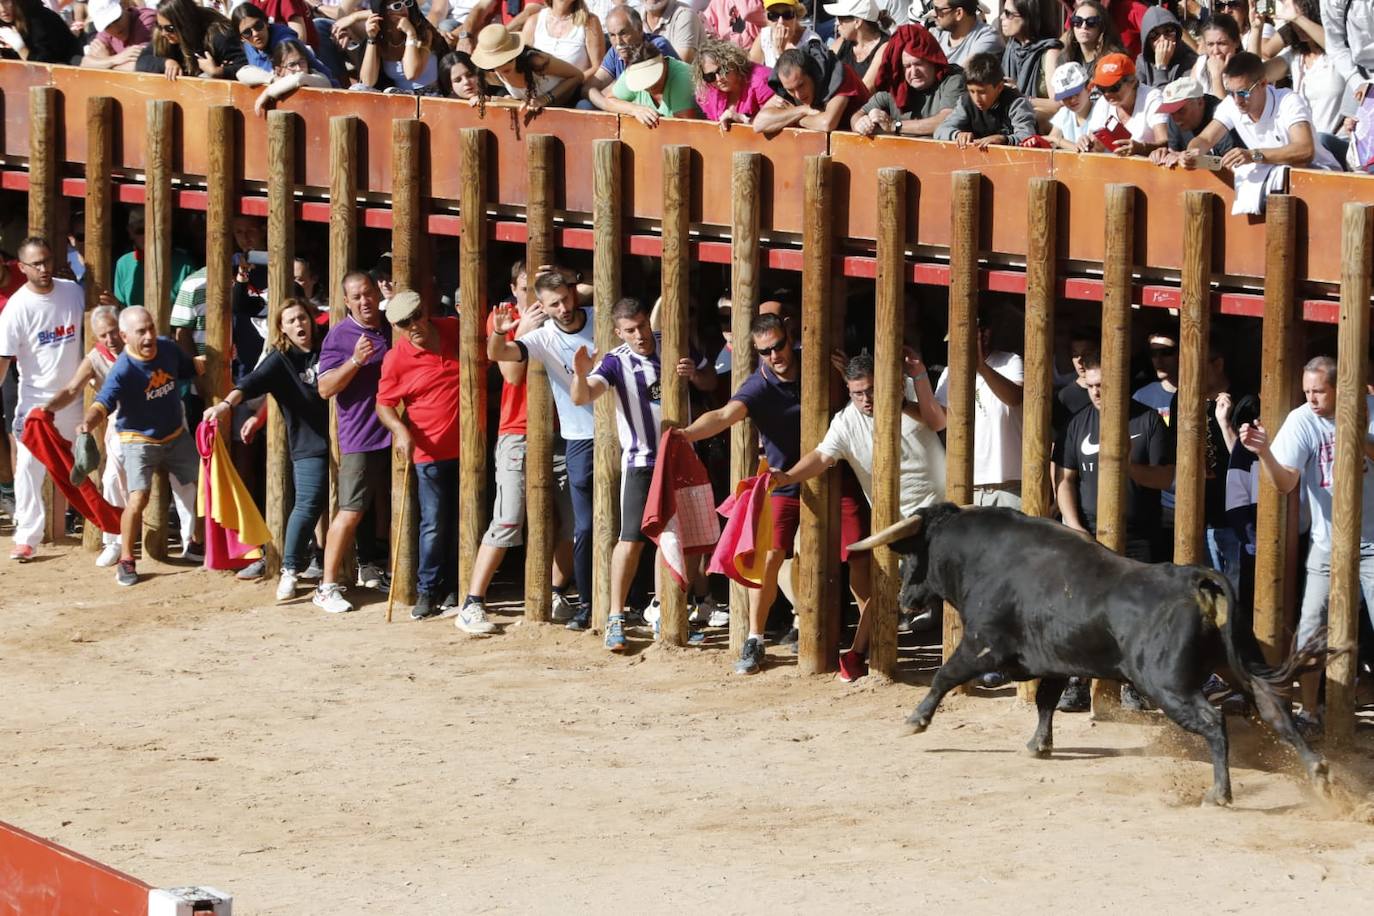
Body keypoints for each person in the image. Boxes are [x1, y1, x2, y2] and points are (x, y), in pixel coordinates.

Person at [771, 352, 946, 682]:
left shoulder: (909, 392)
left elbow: (938, 420)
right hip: (898, 521)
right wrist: (788, 477)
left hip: (943, 508)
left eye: (872, 390)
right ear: (848, 390)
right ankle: (857, 653)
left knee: (962, 583)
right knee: (883, 588)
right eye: (858, 392)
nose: (867, 399)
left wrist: (915, 379)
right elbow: (822, 456)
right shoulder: (846, 421)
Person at [568, 297, 715, 652]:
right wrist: (581, 372)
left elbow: (710, 382)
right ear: (619, 332)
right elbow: (582, 397)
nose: (639, 335)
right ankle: (615, 618)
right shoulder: (616, 361)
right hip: (641, 463)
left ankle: (667, 612)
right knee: (631, 540)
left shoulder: (673, 346)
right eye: (630, 330)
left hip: (682, 460)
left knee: (684, 539)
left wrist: (693, 373)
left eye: (642, 327)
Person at [1238, 355, 1374, 733]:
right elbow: (1285, 483)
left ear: (1339, 388)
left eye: (1319, 392)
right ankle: (1310, 712)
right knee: (1312, 628)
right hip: (1327, 543)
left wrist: (1357, 437)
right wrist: (1264, 452)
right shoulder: (1302, 419)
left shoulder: (1370, 409)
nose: (1312, 399)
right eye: (1307, 392)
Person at [457, 262, 579, 631]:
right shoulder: (504, 318)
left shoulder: (562, 311)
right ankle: (472, 602)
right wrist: (521, 331)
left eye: (539, 289)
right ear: (514, 288)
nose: (533, 296)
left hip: (564, 431)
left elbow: (586, 295)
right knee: (508, 518)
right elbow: (510, 373)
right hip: (517, 431)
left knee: (577, 522)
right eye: (526, 287)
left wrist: (561, 282)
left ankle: (556, 591)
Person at [680, 313, 803, 676]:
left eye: (779, 346)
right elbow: (722, 415)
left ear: (788, 336)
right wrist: (686, 435)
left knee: (846, 556)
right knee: (768, 557)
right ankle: (755, 637)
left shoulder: (814, 362)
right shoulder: (758, 385)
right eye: (765, 351)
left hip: (829, 475)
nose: (775, 355)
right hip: (783, 481)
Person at [487, 268, 598, 630]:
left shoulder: (600, 316)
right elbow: (503, 359)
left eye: (566, 298)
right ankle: (586, 602)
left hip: (620, 432)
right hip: (577, 435)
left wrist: (568, 277)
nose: (563, 308)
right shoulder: (542, 334)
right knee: (582, 525)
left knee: (625, 522)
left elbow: (601, 290)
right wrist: (504, 331)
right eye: (554, 304)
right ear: (543, 307)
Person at [203, 299, 330, 602]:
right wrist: (223, 405)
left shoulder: (329, 347)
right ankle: (290, 569)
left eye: (302, 318)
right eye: (291, 321)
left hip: (347, 439)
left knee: (344, 505)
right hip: (309, 443)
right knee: (308, 503)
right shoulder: (280, 360)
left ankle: (332, 563)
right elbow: (249, 384)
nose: (299, 324)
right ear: (282, 329)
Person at [76, 307, 201, 587]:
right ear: (125, 336)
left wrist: (214, 361)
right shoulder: (123, 368)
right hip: (138, 440)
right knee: (137, 499)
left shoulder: (167, 348)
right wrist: (87, 421)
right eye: (141, 332)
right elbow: (103, 402)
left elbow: (190, 367)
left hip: (174, 434)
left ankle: (196, 542)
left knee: (203, 483)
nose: (149, 336)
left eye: (151, 328)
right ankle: (126, 559)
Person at [373, 291, 465, 622]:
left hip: (470, 450)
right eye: (402, 323)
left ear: (425, 312)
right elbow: (383, 404)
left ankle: (457, 585)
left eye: (414, 318)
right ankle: (429, 589)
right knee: (434, 523)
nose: (412, 327)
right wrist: (401, 431)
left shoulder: (454, 328)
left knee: (465, 519)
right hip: (429, 453)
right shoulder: (396, 359)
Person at [0, 238, 86, 564]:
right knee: (27, 469)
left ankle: (105, 530)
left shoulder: (73, 292)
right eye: (35, 264)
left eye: (46, 261)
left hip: (77, 397)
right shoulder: (16, 309)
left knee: (91, 464)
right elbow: (4, 360)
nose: (43, 268)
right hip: (37, 402)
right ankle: (26, 538)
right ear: (21, 268)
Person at [313, 271, 392, 614]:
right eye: (356, 297)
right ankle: (326, 585)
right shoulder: (340, 336)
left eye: (368, 294)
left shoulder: (392, 326)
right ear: (346, 301)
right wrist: (356, 361)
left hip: (397, 434)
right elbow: (325, 388)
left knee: (392, 508)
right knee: (351, 510)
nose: (365, 302)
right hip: (360, 438)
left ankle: (388, 572)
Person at [1056, 357, 1173, 563]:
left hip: (1140, 538)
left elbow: (1165, 478)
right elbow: (1064, 480)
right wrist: (1075, 528)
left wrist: (1128, 468)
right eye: (1090, 386)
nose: (1095, 392)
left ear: (1119, 382)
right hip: (1089, 535)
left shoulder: (1148, 419)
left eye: (1101, 385)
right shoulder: (1076, 423)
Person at [925, 307, 1024, 507]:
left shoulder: (1011, 361)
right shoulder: (949, 373)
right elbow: (940, 420)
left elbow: (1014, 398)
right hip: (968, 487)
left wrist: (981, 367)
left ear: (986, 334)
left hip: (1009, 487)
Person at [1183, 50, 1342, 170]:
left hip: (1320, 174)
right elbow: (1205, 139)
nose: (1237, 100)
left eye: (1243, 92)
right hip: (1279, 178)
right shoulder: (1231, 104)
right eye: (1231, 93)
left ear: (1263, 84)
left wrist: (1253, 155)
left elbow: (1305, 151)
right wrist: (1191, 153)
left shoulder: (1289, 101)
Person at [853, 22, 964, 136]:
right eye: (907, 66)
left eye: (919, 64)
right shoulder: (897, 86)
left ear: (932, 61)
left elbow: (945, 121)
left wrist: (894, 125)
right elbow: (858, 115)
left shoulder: (952, 80)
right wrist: (861, 123)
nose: (914, 72)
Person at [754, 44, 871, 134]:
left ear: (813, 75)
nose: (798, 95)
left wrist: (791, 118)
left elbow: (827, 123)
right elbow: (759, 123)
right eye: (790, 90)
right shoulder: (789, 85)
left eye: (801, 85)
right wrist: (801, 110)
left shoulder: (839, 75)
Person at [469, 22, 585, 110]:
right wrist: (488, 99)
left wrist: (545, 99)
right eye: (497, 62)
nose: (504, 64)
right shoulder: (491, 75)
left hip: (571, 105)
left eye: (508, 58)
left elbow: (577, 76)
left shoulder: (536, 61)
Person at [933, 51, 1037, 147]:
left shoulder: (1016, 103)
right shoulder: (966, 103)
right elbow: (940, 130)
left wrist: (1005, 139)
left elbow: (1028, 136)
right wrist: (957, 135)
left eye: (982, 92)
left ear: (999, 87)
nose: (976, 98)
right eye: (972, 91)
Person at [582, 5, 679, 107]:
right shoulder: (615, 51)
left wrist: (612, 102)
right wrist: (607, 104)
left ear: (639, 29)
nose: (618, 41)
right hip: (636, 112)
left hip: (668, 112)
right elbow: (588, 88)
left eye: (623, 33)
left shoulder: (655, 48)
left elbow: (641, 91)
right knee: (583, 105)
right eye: (612, 35)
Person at [1077, 52, 1168, 156]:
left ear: (1132, 81)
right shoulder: (1103, 102)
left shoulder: (1152, 97)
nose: (1107, 94)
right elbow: (1097, 147)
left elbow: (1165, 143)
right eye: (1101, 89)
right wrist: (1087, 144)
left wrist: (1141, 148)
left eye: (1114, 88)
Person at [112, 208, 197, 314]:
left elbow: (191, 312)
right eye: (141, 231)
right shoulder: (123, 264)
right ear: (130, 232)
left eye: (153, 230)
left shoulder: (185, 264)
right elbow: (122, 310)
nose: (148, 235)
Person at [137, 0, 244, 81]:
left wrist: (219, 71)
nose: (164, 33)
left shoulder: (217, 35)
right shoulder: (163, 36)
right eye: (159, 26)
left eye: (170, 28)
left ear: (185, 24)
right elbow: (142, 62)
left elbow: (245, 65)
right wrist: (166, 63)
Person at [233, 3, 336, 88]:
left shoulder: (285, 43)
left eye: (258, 25)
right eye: (247, 32)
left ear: (266, 22)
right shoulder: (249, 46)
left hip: (323, 92)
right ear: (242, 38)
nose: (255, 33)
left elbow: (293, 80)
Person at [1148, 75, 1240, 165]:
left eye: (1181, 110)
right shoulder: (1174, 119)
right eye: (1171, 112)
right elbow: (1174, 154)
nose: (1176, 118)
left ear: (1200, 102)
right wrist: (1164, 155)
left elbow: (1232, 163)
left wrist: (1188, 158)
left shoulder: (1222, 115)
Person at [692, 35, 776, 130]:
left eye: (723, 70)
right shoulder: (707, 92)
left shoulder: (762, 81)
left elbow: (777, 120)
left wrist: (743, 119)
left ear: (734, 62)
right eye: (709, 76)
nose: (719, 78)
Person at [356, 0, 442, 93]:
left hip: (429, 95)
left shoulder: (424, 33)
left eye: (407, 3)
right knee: (357, 88)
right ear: (384, 12)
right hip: (400, 98)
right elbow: (367, 82)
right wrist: (372, 38)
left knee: (390, 92)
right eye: (397, 6)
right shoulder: (382, 40)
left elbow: (411, 74)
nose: (404, 8)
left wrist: (411, 34)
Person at [999, 0, 1061, 111]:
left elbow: (1059, 103)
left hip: (1040, 122)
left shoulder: (1049, 52)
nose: (1001, 17)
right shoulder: (1011, 47)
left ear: (1028, 16)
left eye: (1008, 13)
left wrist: (1021, 97)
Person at [251, 38, 338, 115]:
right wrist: (272, 81)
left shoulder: (316, 76)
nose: (299, 68)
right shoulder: (273, 76)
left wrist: (267, 92)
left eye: (302, 62)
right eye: (292, 65)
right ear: (279, 70)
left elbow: (300, 78)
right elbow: (242, 72)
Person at [522, 0, 603, 82]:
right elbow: (522, 63)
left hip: (576, 91)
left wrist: (569, 85)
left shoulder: (589, 22)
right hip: (537, 92)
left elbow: (598, 67)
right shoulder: (533, 22)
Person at [826, 0, 891, 87]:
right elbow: (823, 73)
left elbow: (865, 89)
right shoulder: (841, 42)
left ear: (857, 22)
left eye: (840, 19)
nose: (836, 23)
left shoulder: (885, 47)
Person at [83, 0, 159, 71]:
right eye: (107, 25)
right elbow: (85, 63)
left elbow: (142, 65)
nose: (115, 28)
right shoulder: (105, 31)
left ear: (124, 6)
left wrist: (104, 62)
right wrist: (114, 59)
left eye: (116, 19)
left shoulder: (145, 20)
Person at [0, 0, 83, 64]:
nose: (2, 9)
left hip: (64, 73)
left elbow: (44, 66)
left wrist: (20, 47)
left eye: (6, 1)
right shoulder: (5, 23)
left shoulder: (40, 19)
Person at [1134, 4, 1196, 87]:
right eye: (1154, 35)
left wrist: (1161, 68)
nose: (1163, 39)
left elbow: (1167, 99)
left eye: (1169, 31)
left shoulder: (1190, 60)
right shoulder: (1142, 62)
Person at [1059, 0, 1124, 77]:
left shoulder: (1113, 62)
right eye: (1077, 21)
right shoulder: (1066, 57)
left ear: (1102, 27)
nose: (1084, 26)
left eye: (1091, 22)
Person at [928, 0, 1001, 68]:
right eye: (933, 7)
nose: (933, 14)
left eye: (938, 10)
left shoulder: (986, 38)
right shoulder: (936, 34)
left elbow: (961, 76)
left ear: (959, 13)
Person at [749, 0, 822, 68]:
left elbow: (802, 79)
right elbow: (750, 71)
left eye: (787, 14)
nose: (781, 21)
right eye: (773, 15)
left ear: (797, 15)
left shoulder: (811, 42)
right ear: (766, 18)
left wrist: (781, 52)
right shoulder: (765, 35)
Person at [1190, 13, 1241, 99]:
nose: (1216, 51)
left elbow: (1227, 111)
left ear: (1236, 42)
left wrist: (1217, 77)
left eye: (1222, 44)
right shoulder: (1200, 65)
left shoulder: (1245, 70)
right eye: (1210, 44)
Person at [1046, 59, 1094, 148]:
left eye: (1076, 94)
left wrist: (1057, 140)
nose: (1072, 100)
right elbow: (1050, 141)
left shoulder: (1099, 110)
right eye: (1065, 97)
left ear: (1089, 88)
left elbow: (1086, 149)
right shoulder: (1064, 113)